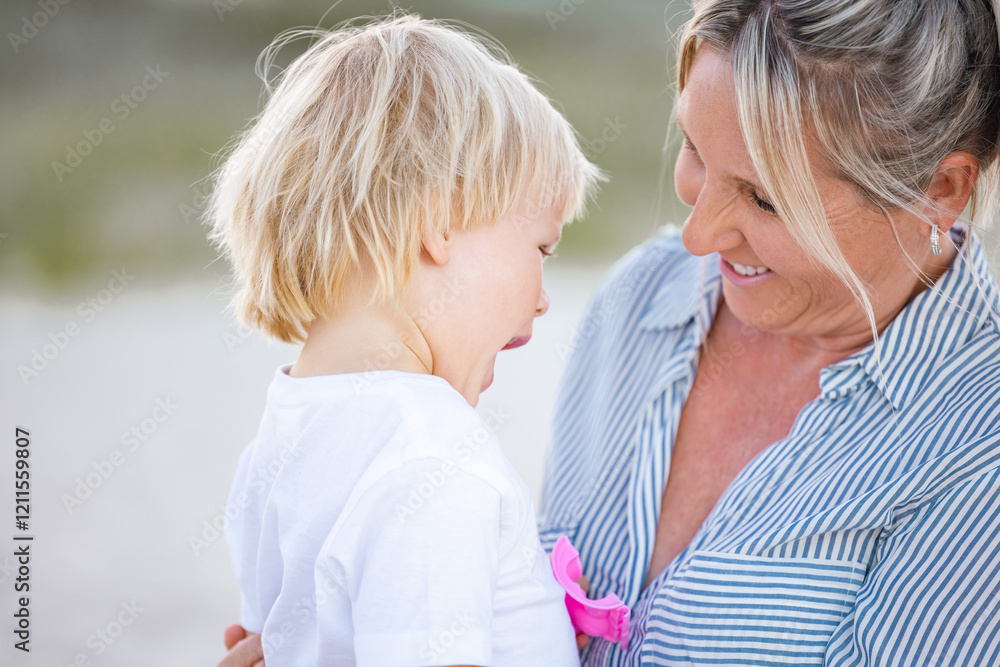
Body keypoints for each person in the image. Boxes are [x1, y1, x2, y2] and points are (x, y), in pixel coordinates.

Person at [220, 0, 1000, 665]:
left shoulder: (976, 442)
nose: (696, 236)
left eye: (764, 199)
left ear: (940, 188)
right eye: (695, 150)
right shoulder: (639, 301)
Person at [205, 14, 604, 667]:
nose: (541, 295)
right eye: (541, 247)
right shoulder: (432, 457)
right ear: (441, 220)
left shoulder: (278, 443)